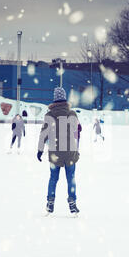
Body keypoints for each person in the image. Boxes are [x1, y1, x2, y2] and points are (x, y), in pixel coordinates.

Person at [37, 87, 80, 216]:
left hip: (55, 152)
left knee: (53, 178)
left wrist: (40, 150)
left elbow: (43, 134)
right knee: (71, 178)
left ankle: (50, 203)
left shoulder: (49, 115)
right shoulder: (72, 114)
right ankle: (72, 204)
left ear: (54, 99)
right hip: (70, 152)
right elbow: (76, 131)